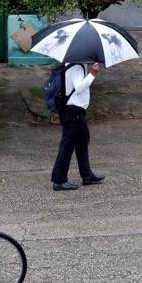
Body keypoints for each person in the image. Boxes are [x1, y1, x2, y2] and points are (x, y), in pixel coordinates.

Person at [51, 62, 105, 191]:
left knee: (83, 141)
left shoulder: (73, 63)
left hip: (75, 111)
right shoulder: (77, 66)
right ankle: (59, 180)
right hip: (73, 111)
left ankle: (87, 175)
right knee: (67, 145)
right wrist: (92, 74)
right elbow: (80, 87)